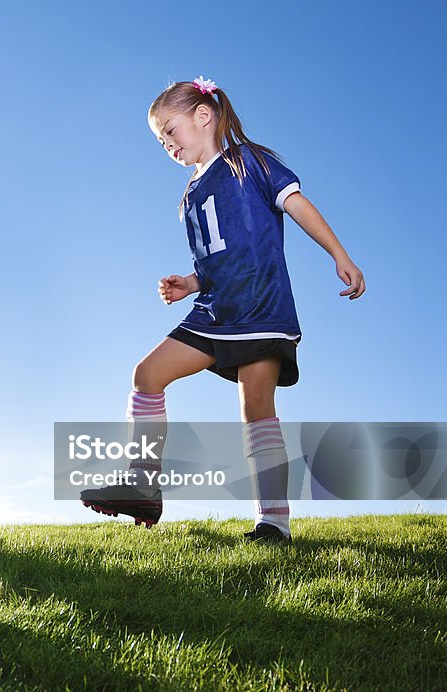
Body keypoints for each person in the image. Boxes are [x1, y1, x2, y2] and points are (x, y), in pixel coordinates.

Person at [81, 76, 365, 542]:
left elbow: (298, 206)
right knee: (147, 375)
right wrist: (189, 283)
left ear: (203, 115)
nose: (167, 144)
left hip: (260, 307)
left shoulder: (247, 163)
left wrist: (340, 254)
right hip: (214, 310)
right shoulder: (189, 197)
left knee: (256, 409)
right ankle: (142, 485)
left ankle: (273, 522)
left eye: (170, 130)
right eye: (160, 140)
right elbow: (215, 258)